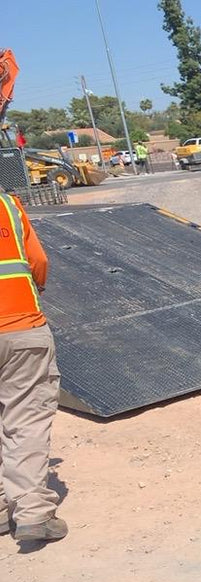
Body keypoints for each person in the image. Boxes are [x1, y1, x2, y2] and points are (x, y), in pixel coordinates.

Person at [0, 189, 65, 543]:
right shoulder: (7, 205)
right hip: (21, 327)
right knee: (24, 419)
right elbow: (37, 260)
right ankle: (32, 514)